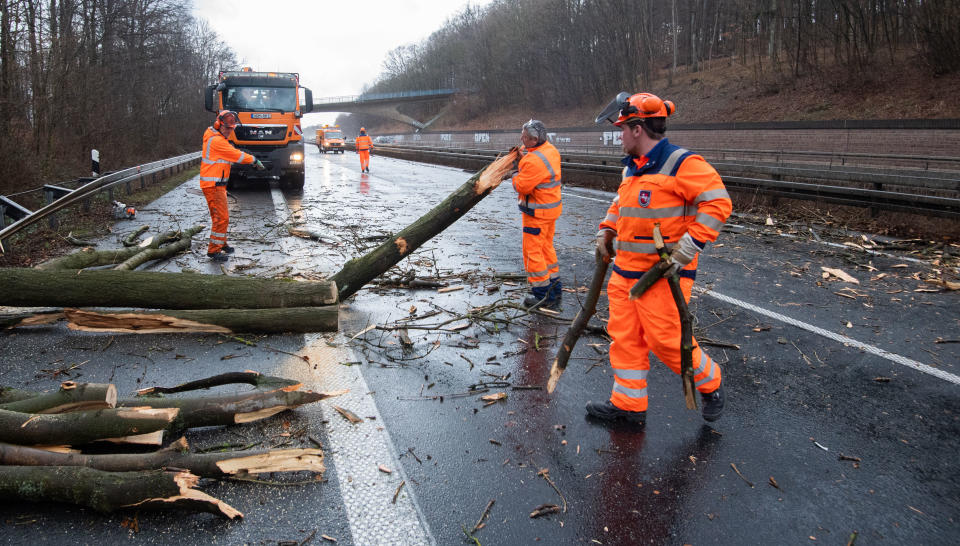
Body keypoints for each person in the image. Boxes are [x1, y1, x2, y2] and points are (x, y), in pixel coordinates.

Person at [589, 92, 731, 427]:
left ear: (637, 129)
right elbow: (620, 206)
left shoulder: (683, 164)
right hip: (625, 272)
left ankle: (711, 383)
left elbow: (718, 203)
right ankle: (628, 404)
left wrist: (689, 246)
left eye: (622, 129)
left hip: (662, 276)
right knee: (624, 339)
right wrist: (606, 231)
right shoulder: (633, 169)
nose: (619, 136)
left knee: (665, 340)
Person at [509, 119, 563, 309]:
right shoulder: (550, 151)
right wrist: (523, 160)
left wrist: (515, 172)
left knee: (533, 253)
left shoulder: (533, 160)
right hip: (550, 211)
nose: (521, 140)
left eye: (524, 137)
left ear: (534, 139)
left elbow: (522, 185)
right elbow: (537, 170)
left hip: (536, 213)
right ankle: (555, 289)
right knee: (547, 249)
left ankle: (542, 295)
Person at [199, 110, 264, 261]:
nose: (230, 131)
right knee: (222, 218)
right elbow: (237, 155)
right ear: (219, 124)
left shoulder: (215, 136)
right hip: (213, 185)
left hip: (216, 184)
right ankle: (214, 250)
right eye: (227, 128)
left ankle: (221, 243)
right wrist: (254, 160)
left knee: (220, 217)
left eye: (231, 129)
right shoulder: (217, 141)